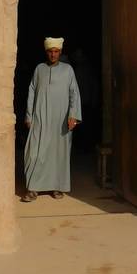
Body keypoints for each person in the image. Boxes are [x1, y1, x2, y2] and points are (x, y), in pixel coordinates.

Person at [23, 37, 81, 201]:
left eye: (56, 52)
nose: (53, 54)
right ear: (46, 52)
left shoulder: (68, 70)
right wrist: (29, 115)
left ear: (60, 52)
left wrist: (73, 115)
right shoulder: (39, 69)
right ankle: (32, 188)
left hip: (60, 120)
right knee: (34, 152)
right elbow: (31, 92)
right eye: (50, 51)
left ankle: (57, 187)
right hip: (40, 118)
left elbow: (74, 94)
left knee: (58, 153)